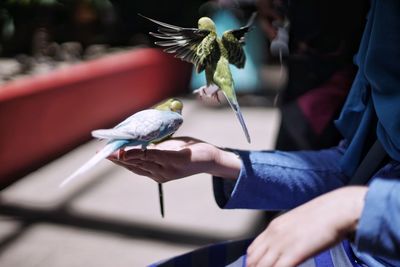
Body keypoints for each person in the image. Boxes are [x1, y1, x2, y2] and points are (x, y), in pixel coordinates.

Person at [108, 0, 400, 266]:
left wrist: (361, 208)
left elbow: (354, 191)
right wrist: (218, 159)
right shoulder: (375, 91)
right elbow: (351, 168)